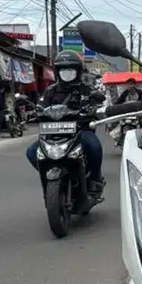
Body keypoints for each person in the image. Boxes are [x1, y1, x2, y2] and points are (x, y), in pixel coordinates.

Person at [26, 51, 105, 191]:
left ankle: (94, 178)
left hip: (80, 131)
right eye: (63, 69)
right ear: (57, 71)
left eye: (70, 69)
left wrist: (94, 108)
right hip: (53, 132)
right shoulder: (51, 90)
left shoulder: (86, 88)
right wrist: (36, 111)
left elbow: (99, 100)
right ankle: (49, 173)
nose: (66, 73)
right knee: (31, 151)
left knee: (94, 146)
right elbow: (41, 105)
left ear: (78, 70)